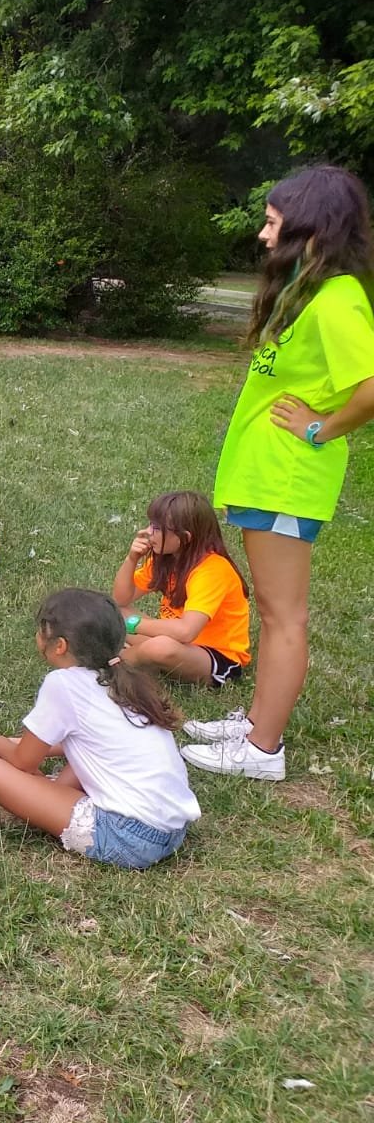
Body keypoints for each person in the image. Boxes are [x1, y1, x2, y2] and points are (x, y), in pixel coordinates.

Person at [184, 165, 374, 781]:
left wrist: (320, 428)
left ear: (311, 226)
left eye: (272, 223)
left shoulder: (339, 299)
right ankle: (255, 723)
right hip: (265, 473)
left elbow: (370, 388)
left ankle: (263, 750)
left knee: (284, 615)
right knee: (271, 609)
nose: (264, 235)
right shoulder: (307, 292)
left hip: (289, 477)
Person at [0, 589, 200, 869]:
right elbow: (89, 742)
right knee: (71, 760)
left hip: (128, 837)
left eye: (42, 629)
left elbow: (24, 761)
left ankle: (38, 802)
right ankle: (48, 793)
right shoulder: (120, 679)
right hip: (171, 831)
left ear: (60, 645)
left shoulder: (63, 684)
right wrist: (19, 743)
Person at [111, 491, 250, 689]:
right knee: (112, 611)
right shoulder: (167, 558)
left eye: (157, 528)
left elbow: (186, 631)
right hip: (174, 640)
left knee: (160, 647)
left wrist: (134, 625)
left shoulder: (212, 570)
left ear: (184, 538)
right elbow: (121, 599)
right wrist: (131, 559)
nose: (148, 532)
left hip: (215, 657)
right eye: (151, 524)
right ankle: (143, 655)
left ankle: (115, 664)